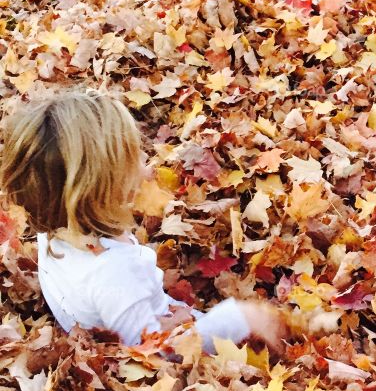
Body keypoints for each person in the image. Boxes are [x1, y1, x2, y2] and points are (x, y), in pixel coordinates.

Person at [0, 91, 284, 351]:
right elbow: (155, 353)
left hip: (140, 320)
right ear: (100, 189)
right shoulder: (112, 273)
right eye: (131, 159)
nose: (144, 162)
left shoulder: (56, 230)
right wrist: (236, 319)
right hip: (170, 346)